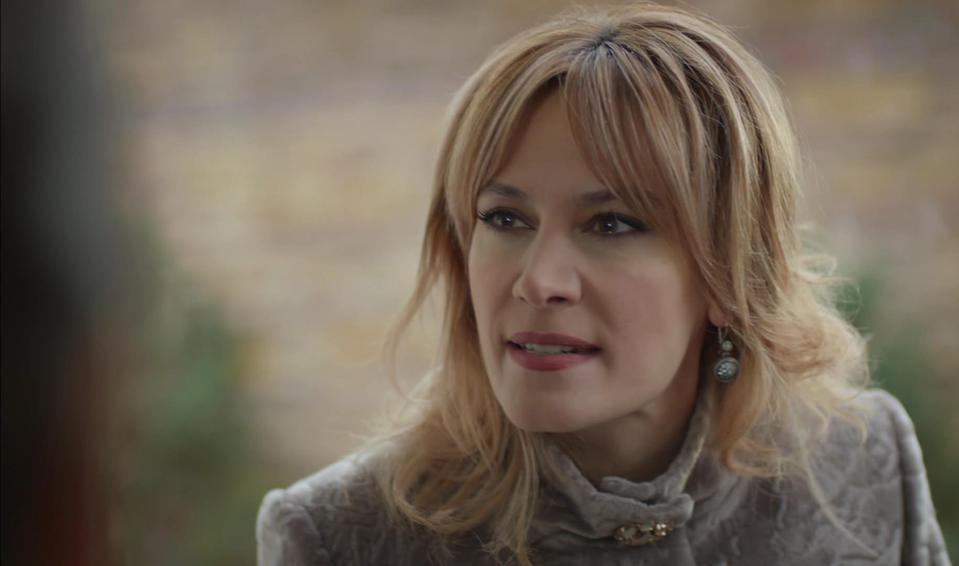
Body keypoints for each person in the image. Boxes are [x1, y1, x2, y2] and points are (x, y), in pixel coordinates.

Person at [256, 4, 950, 565]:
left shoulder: (864, 458)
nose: (539, 281)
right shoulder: (338, 536)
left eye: (612, 224)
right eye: (505, 218)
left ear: (730, 273)